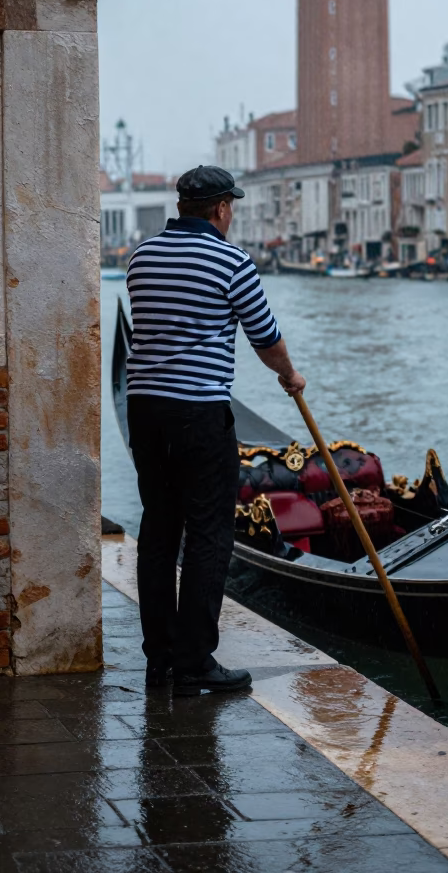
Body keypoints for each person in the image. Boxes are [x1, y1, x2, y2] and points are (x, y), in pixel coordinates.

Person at [126, 165, 306, 696]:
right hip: (200, 414)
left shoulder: (141, 257)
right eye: (232, 208)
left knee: (159, 531)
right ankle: (195, 660)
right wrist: (289, 375)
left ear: (181, 206)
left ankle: (159, 658)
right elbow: (264, 336)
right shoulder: (232, 261)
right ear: (222, 209)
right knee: (209, 535)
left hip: (144, 409)